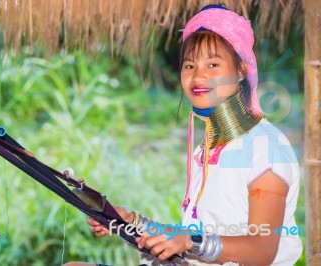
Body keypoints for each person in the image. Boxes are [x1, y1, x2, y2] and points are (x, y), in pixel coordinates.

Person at [64, 4, 302, 266]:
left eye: (213, 64)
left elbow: (261, 250)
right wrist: (130, 222)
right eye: (190, 66)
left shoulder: (265, 147)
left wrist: (191, 239)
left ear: (242, 69)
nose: (198, 76)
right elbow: (186, 239)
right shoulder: (208, 148)